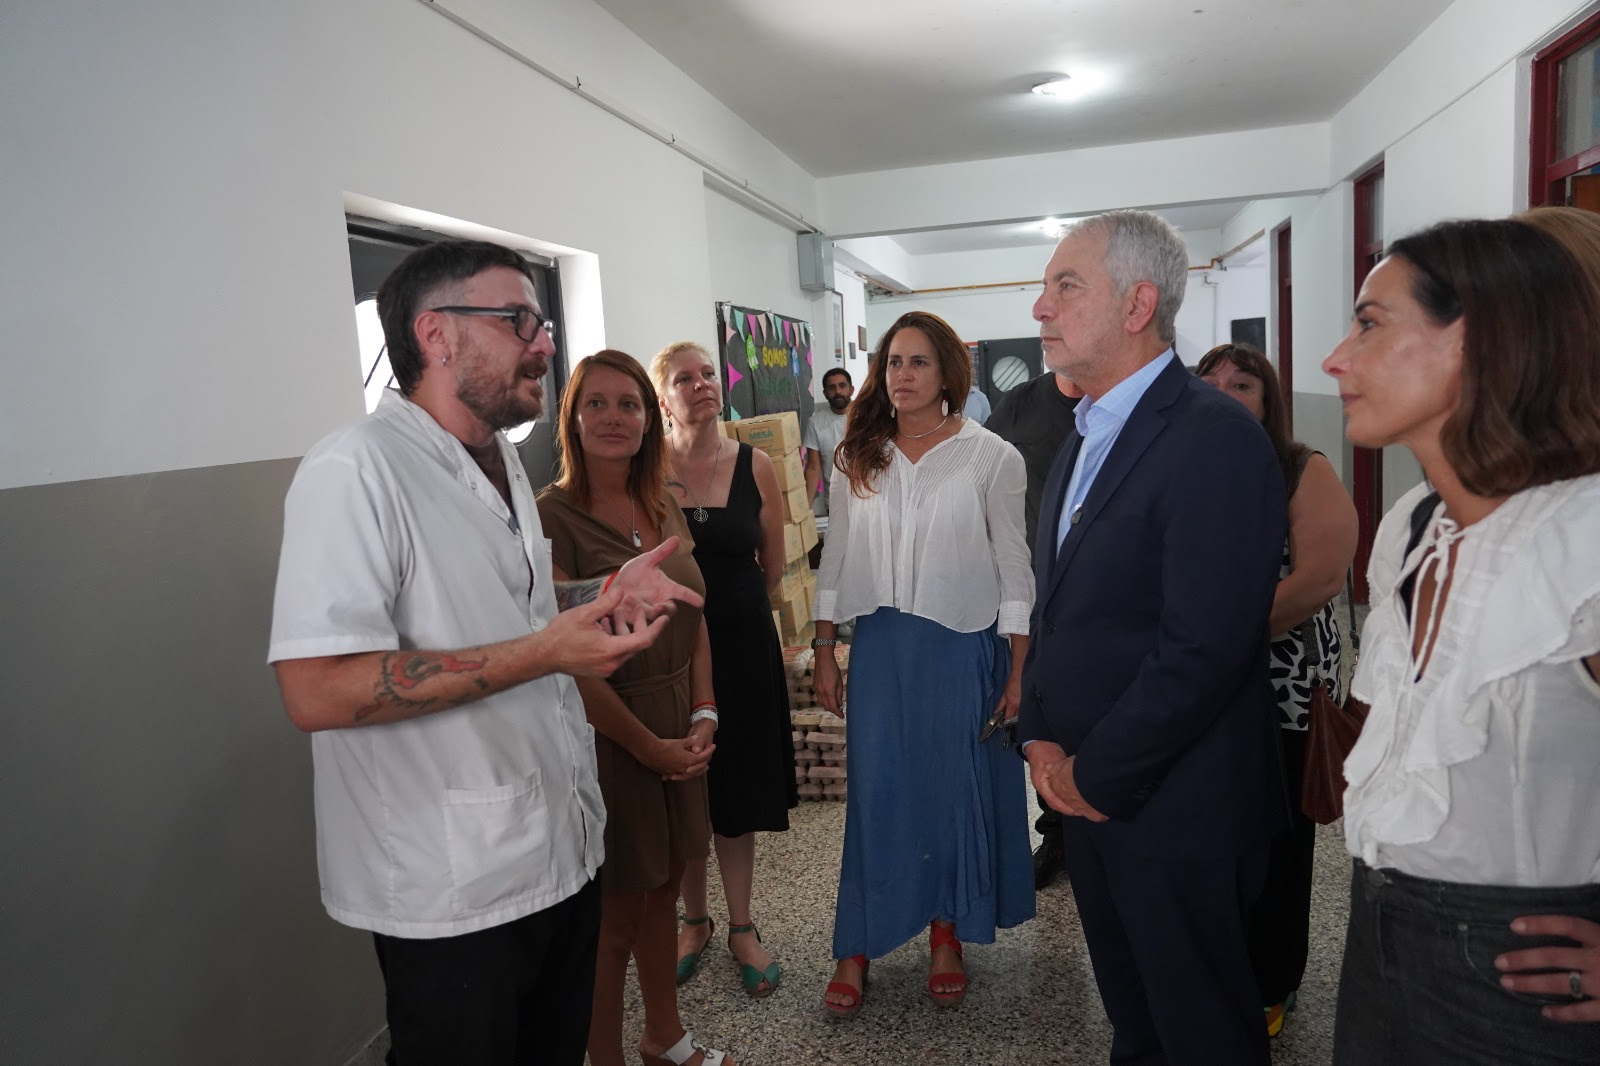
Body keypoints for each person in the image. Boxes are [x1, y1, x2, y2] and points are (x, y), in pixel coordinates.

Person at [267, 240, 703, 1066]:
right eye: (517, 320)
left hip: (557, 849)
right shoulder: (356, 470)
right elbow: (315, 690)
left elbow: (510, 614)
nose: (543, 342)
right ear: (436, 335)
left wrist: (594, 599)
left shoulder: (499, 457)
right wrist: (546, 649)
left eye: (538, 321)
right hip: (451, 883)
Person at [1324, 216, 1600, 1065]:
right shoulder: (1412, 526)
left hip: (1527, 980)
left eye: (1371, 323)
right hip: (1378, 935)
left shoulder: (1582, 538)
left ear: (1481, 338)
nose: (1336, 357)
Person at [1018, 210, 1287, 1065]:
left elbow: (1204, 646)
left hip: (1178, 802)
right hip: (1090, 797)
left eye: (1066, 286)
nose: (1040, 308)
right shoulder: (1088, 431)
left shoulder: (1214, 437)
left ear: (1138, 305)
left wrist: (1093, 771)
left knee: (1202, 1031)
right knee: (1136, 1026)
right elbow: (1064, 607)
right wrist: (1043, 734)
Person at [812, 309, 1036, 1017]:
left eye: (917, 362)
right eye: (893, 362)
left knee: (950, 788)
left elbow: (1015, 568)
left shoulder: (992, 456)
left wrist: (1021, 668)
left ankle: (948, 931)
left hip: (962, 642)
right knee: (877, 793)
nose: (901, 376)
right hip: (880, 647)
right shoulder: (860, 454)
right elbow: (837, 559)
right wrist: (824, 647)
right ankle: (858, 942)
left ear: (947, 373)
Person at [535, 350, 734, 1066]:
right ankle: (606, 1058)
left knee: (662, 896)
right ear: (572, 418)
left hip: (681, 722)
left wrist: (705, 711)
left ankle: (663, 1035)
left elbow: (695, 614)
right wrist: (647, 748)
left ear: (650, 419)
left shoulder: (661, 501)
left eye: (628, 404)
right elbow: (568, 663)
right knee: (613, 918)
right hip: (609, 732)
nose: (614, 418)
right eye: (597, 404)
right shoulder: (549, 518)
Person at [1196, 341, 1359, 1036]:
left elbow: (1318, 578)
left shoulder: (1300, 468)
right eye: (1212, 383)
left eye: (1244, 385)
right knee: (1217, 841)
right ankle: (1216, 971)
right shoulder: (1187, 468)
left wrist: (1218, 642)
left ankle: (1272, 984)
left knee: (1280, 849)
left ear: (1269, 401)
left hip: (1284, 690)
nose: (1226, 393)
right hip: (1202, 690)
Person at [651, 340, 797, 999]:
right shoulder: (644, 470)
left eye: (710, 373)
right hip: (669, 655)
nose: (703, 384)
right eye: (686, 378)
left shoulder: (755, 464)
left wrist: (733, 608)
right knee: (685, 787)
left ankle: (741, 925)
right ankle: (694, 921)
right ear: (663, 398)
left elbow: (772, 563)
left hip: (741, 648)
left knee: (737, 791)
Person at [984, 367, 1086, 889]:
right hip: (1032, 586)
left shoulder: (1115, 398)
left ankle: (1094, 826)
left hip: (1099, 590)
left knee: (1093, 712)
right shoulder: (1020, 405)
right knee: (1041, 715)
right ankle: (1056, 835)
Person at [804, 367, 853, 516]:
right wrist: (805, 509)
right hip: (835, 502)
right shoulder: (815, 423)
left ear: (851, 389)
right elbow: (813, 467)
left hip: (869, 500)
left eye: (842, 386)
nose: (837, 391)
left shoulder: (867, 417)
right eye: (831, 388)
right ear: (825, 393)